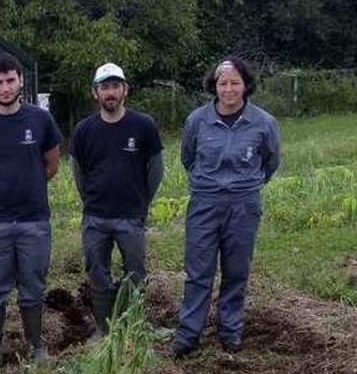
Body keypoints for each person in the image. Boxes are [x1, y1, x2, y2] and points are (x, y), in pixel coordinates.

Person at [172, 57, 281, 357]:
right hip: (205, 203)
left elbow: (270, 162)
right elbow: (188, 158)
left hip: (243, 204)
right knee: (198, 271)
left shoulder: (263, 123)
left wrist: (245, 184)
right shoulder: (197, 120)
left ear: (245, 86)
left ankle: (230, 329)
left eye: (235, 82)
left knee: (236, 270)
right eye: (223, 83)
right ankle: (189, 332)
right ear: (214, 87)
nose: (229, 89)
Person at [0, 53, 63, 366]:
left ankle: (36, 347)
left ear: (20, 81)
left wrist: (26, 185)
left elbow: (51, 165)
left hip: (33, 221)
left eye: (10, 81)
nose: (5, 87)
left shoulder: (40, 120)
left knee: (33, 287)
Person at [70, 63, 163, 342]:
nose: (110, 92)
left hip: (131, 216)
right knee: (97, 271)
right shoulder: (85, 129)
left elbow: (155, 170)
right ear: (95, 92)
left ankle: (132, 326)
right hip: (96, 217)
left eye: (115, 86)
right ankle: (103, 327)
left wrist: (141, 202)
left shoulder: (143, 125)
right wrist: (91, 200)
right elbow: (78, 171)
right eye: (104, 87)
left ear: (125, 89)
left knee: (135, 272)